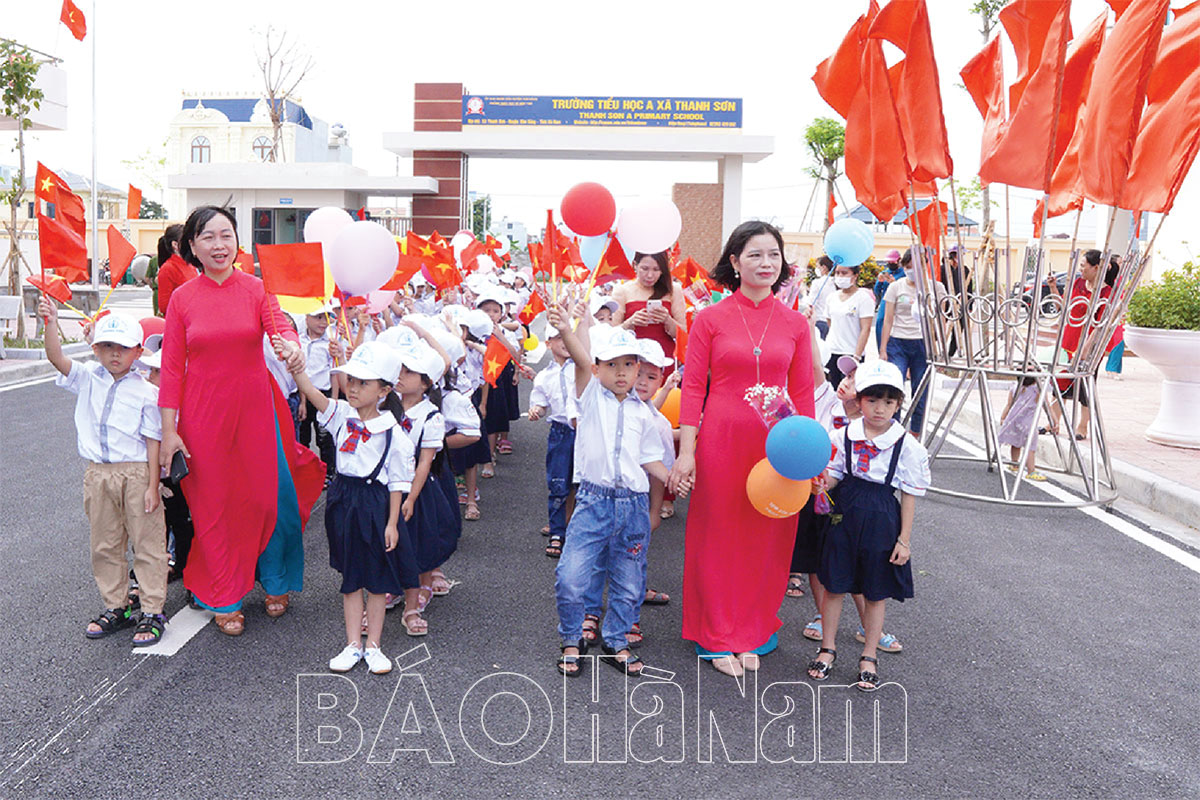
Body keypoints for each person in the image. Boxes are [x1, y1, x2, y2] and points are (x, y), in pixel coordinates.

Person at [158, 205, 324, 636]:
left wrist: (292, 347)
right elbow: (172, 369)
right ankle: (225, 593)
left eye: (226, 235)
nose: (218, 244)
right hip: (202, 414)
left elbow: (280, 328)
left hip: (257, 408)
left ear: (237, 241)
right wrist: (169, 431)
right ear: (191, 246)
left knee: (270, 500)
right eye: (208, 237)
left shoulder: (256, 288)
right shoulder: (182, 299)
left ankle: (275, 580)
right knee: (215, 506)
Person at [667, 220, 820, 677]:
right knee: (717, 535)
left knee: (768, 537)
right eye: (754, 254)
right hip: (720, 440)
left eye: (773, 255)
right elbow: (693, 389)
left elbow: (805, 395)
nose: (765, 263)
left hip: (777, 446)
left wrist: (810, 458)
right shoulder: (710, 319)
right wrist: (687, 452)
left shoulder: (795, 324)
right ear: (734, 262)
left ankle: (752, 631)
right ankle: (716, 635)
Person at [547, 305, 674, 678]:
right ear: (599, 369)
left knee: (629, 580)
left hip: (632, 506)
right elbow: (581, 360)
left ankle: (616, 639)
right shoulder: (590, 398)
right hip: (593, 501)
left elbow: (650, 459)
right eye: (612, 365)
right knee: (571, 576)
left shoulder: (644, 413)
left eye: (629, 365)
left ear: (638, 369)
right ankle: (572, 637)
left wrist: (671, 478)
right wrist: (567, 329)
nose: (621, 373)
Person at [40, 303, 169, 646]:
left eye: (123, 348)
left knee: (147, 543)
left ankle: (153, 609)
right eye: (107, 346)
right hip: (98, 474)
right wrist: (50, 323)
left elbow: (152, 442)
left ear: (138, 351)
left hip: (137, 474)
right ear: (95, 348)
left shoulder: (146, 392)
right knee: (105, 544)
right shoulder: (86, 378)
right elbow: (56, 358)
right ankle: (118, 606)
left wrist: (153, 485)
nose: (115, 354)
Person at [290, 342, 417, 675]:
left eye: (364, 383)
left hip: (375, 503)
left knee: (376, 578)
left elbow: (397, 484)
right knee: (351, 576)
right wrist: (295, 364)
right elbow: (310, 391)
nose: (354, 388)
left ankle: (373, 645)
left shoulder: (394, 434)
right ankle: (352, 645)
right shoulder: (341, 416)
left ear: (384, 390)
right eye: (352, 380)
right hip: (343, 500)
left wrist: (392, 523)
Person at [806, 360, 930, 691]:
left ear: (898, 404)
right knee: (835, 585)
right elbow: (835, 473)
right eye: (872, 400)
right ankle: (827, 649)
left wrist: (903, 540)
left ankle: (869, 655)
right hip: (844, 514)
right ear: (860, 400)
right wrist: (823, 483)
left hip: (881, 518)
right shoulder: (843, 434)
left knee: (875, 592)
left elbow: (909, 495)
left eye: (889, 402)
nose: (879, 409)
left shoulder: (907, 446)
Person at [392, 339, 459, 637]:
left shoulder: (431, 416)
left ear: (425, 383)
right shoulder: (385, 407)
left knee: (418, 541)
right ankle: (391, 588)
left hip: (417, 489)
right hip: (389, 486)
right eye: (401, 369)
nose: (401, 375)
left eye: (410, 372)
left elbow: (425, 462)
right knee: (389, 542)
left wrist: (413, 497)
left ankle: (417, 594)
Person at [1046, 251, 1121, 440]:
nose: (1081, 269)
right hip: (1069, 339)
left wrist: (1085, 349)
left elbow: (1100, 325)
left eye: (1083, 265)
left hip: (1089, 344)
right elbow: (1064, 307)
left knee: (1085, 386)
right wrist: (1053, 288)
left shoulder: (1106, 293)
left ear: (1096, 268)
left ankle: (1082, 427)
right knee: (1060, 382)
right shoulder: (1078, 284)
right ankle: (1053, 423)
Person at [528, 323, 578, 559]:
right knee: (558, 484)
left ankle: (578, 531)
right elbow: (539, 400)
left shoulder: (582, 367)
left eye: (567, 337)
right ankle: (557, 532)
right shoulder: (544, 375)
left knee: (584, 484)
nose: (564, 342)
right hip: (560, 432)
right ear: (548, 344)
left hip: (584, 431)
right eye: (558, 338)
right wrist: (536, 410)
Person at [878, 249, 930, 433]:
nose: (912, 271)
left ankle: (915, 433)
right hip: (898, 342)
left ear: (925, 266)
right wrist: (883, 349)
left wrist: (939, 347)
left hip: (923, 343)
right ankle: (892, 430)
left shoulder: (934, 288)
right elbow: (888, 319)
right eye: (908, 267)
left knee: (920, 391)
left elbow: (941, 320)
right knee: (894, 386)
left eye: (916, 267)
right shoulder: (896, 287)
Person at [612, 251, 687, 366]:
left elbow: (683, 333)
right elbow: (612, 334)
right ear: (635, 265)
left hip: (664, 358)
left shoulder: (674, 290)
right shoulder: (622, 291)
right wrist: (630, 323)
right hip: (632, 358)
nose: (650, 275)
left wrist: (667, 320)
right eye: (645, 269)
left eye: (656, 269)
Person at [296, 302, 343, 484]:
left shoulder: (330, 344)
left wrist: (334, 401)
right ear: (306, 318)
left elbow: (334, 375)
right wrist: (302, 401)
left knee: (325, 437)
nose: (323, 322)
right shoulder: (299, 341)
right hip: (304, 395)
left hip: (324, 395)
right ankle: (305, 471)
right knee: (303, 436)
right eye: (318, 317)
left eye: (326, 317)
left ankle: (328, 473)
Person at [824, 263, 875, 388]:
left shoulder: (863, 298)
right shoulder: (832, 297)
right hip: (832, 352)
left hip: (851, 354)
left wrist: (856, 356)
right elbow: (830, 322)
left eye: (844, 273)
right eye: (837, 273)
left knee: (849, 394)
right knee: (832, 391)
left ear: (855, 276)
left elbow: (866, 328)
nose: (840, 276)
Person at [997, 372, 1047, 481]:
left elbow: (1009, 405)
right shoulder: (1038, 390)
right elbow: (1046, 406)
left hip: (1014, 421)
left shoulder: (1014, 388)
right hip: (1029, 423)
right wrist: (1054, 421)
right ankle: (1031, 470)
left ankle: (1014, 463)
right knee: (1030, 447)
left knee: (1015, 444)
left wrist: (1003, 417)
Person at [154, 224, 197, 317]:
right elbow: (164, 306)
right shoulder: (168, 268)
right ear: (175, 245)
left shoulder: (191, 266)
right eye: (187, 241)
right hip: (179, 321)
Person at [873, 250, 904, 346]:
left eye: (893, 262)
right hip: (885, 300)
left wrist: (895, 283)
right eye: (889, 262)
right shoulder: (885, 273)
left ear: (899, 260)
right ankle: (881, 347)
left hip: (900, 299)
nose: (890, 264)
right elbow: (877, 291)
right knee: (880, 321)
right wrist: (880, 281)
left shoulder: (903, 273)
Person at [808, 255, 835, 339]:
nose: (817, 269)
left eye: (818, 267)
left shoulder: (817, 283)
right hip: (833, 322)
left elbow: (811, 302)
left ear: (824, 267)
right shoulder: (837, 282)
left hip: (820, 320)